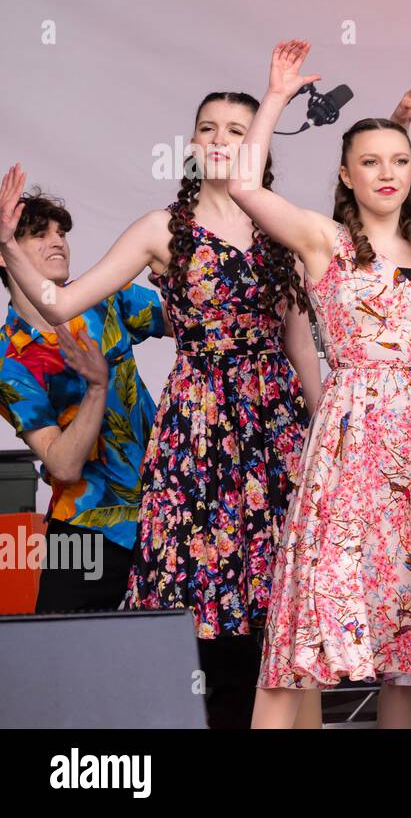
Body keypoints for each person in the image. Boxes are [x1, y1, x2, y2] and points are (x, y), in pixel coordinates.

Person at [0, 89, 321, 729]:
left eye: (238, 127)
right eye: (207, 128)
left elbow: (300, 336)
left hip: (274, 427)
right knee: (201, 601)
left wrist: (326, 432)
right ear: (193, 146)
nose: (221, 138)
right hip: (198, 434)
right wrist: (7, 245)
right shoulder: (160, 231)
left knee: (284, 604)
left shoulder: (281, 227)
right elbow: (59, 304)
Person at [233, 42, 411, 729]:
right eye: (371, 163)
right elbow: (243, 187)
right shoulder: (324, 240)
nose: (387, 174)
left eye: (401, 162)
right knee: (312, 612)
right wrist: (275, 98)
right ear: (346, 177)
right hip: (353, 432)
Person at [0, 184, 167, 612]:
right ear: (5, 255)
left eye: (61, 232)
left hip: (163, 512)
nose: (57, 240)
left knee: (180, 656)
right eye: (38, 233)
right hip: (83, 535)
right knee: (67, 665)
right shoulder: (9, 362)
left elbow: (200, 325)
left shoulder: (106, 300)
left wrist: (181, 282)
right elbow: (63, 464)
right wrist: (97, 388)